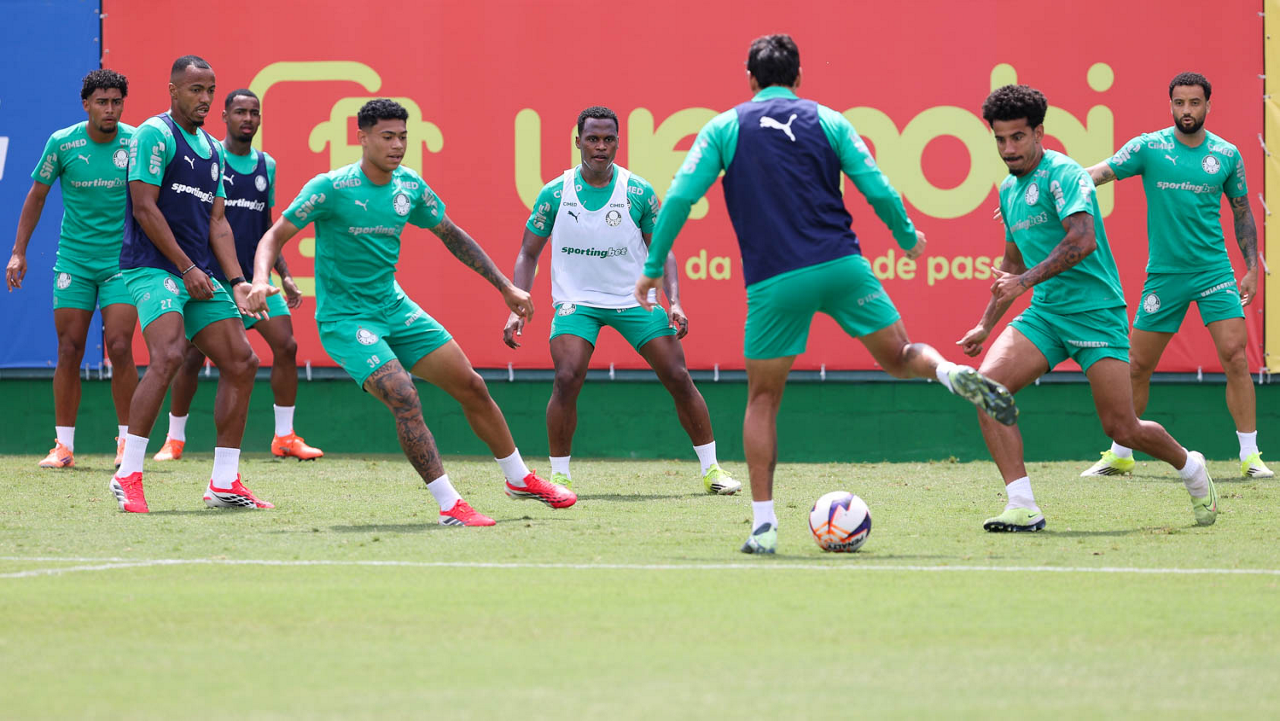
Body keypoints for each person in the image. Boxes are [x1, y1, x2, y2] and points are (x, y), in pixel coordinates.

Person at [634, 35, 1017, 555]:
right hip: (841, 266)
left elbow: (679, 196)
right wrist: (907, 237)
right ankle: (951, 373)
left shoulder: (725, 126)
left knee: (763, 399)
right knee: (902, 356)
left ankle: (765, 527)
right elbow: (876, 185)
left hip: (775, 281)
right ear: (798, 78)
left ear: (750, 79)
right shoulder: (830, 120)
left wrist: (653, 268)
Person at [245, 98, 575, 527]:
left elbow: (452, 235)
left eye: (403, 136)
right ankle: (449, 505)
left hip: (395, 308)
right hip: (347, 321)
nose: (397, 145)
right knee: (404, 395)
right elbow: (273, 237)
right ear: (361, 137)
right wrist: (258, 279)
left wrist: (505, 286)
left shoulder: (409, 187)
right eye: (387, 136)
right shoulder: (330, 188)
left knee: (471, 386)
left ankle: (518, 479)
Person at [959, 83, 1217, 532]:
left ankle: (1191, 467)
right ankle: (1023, 505)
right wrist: (985, 326)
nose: (1008, 148)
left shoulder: (1066, 174)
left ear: (1039, 132)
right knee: (987, 390)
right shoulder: (1007, 190)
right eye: (1000, 139)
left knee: (1122, 428)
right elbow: (1011, 265)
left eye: (1017, 137)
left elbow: (1082, 240)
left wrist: (1021, 282)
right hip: (1045, 315)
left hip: (1097, 312)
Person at [504, 106, 740, 494]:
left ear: (617, 142)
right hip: (577, 300)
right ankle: (560, 477)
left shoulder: (637, 191)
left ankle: (712, 470)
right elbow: (528, 253)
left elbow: (662, 249)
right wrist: (518, 307)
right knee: (566, 377)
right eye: (593, 138)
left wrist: (675, 301)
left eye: (608, 139)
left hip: (635, 299)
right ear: (577, 141)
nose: (601, 146)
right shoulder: (555, 193)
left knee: (678, 376)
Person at [1078, 72, 1270, 479]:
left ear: (1208, 106)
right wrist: (1044, 185)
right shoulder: (1149, 147)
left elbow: (1241, 213)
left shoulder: (1227, 154)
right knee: (1135, 366)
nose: (1187, 110)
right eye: (1180, 103)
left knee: (1236, 357)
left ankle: (1251, 457)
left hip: (1214, 271)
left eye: (1195, 103)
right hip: (1164, 275)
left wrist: (1252, 267)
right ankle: (1121, 453)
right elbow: (1098, 173)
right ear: (1170, 105)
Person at [110, 55, 270, 513]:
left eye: (209, 90)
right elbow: (144, 207)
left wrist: (237, 280)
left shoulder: (215, 150)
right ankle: (129, 474)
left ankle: (224, 483)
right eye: (195, 90)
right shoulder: (154, 134)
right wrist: (185, 268)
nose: (204, 99)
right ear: (173, 90)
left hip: (197, 271)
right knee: (170, 355)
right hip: (153, 268)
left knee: (241, 361)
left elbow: (217, 222)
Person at [152, 88, 322, 463]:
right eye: (240, 112)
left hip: (253, 282)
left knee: (287, 346)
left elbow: (267, 228)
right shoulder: (208, 156)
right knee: (191, 360)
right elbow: (208, 223)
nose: (248, 119)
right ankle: (174, 439)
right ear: (224, 116)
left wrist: (285, 274)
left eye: (254, 113)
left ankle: (285, 436)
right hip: (212, 279)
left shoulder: (267, 165)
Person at [7, 69, 138, 469]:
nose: (110, 109)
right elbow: (36, 196)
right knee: (69, 349)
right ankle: (63, 447)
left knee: (119, 346)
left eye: (116, 101)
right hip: (74, 262)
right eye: (102, 101)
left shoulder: (137, 142)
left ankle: (127, 444)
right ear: (86, 104)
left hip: (122, 263)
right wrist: (18, 252)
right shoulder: (62, 143)